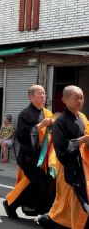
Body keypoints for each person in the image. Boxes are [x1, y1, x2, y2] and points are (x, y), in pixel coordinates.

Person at [39, 85, 89, 229]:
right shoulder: (60, 122)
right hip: (68, 167)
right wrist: (81, 141)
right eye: (76, 97)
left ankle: (53, 221)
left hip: (82, 166)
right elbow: (61, 148)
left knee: (73, 203)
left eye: (82, 97)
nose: (80, 100)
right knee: (76, 201)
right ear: (65, 100)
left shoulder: (81, 118)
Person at [3, 85, 55, 219]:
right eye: (40, 94)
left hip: (45, 157)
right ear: (31, 97)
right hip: (30, 157)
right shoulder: (25, 114)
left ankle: (43, 211)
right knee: (32, 183)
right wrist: (40, 125)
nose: (43, 96)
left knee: (43, 184)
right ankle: (10, 203)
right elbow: (22, 136)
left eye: (44, 94)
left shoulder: (47, 113)